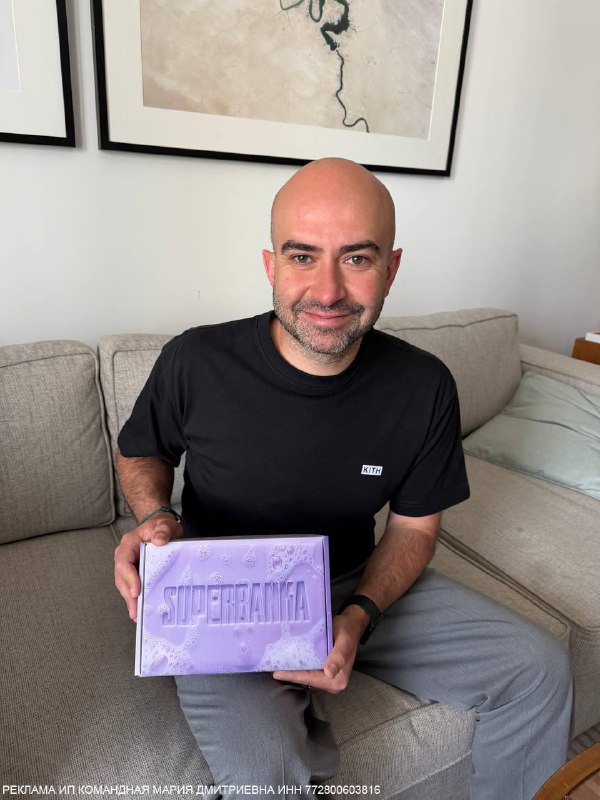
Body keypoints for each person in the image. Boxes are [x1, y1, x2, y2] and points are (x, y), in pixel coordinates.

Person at [114, 158, 572, 800]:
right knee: (265, 769)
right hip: (222, 587)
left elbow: (414, 528)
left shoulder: (423, 385)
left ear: (391, 268)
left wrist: (358, 616)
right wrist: (154, 516)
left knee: (538, 668)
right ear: (272, 266)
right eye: (303, 256)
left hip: (352, 578)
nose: (328, 291)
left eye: (357, 258)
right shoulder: (196, 359)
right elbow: (141, 452)